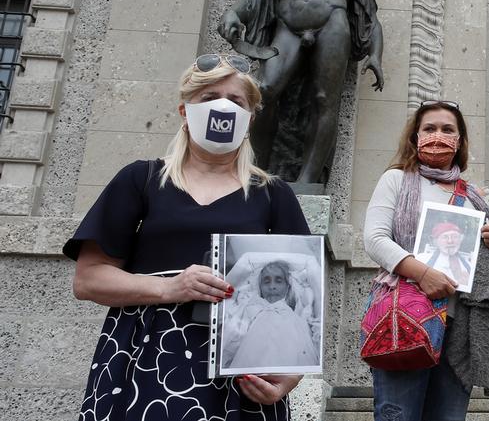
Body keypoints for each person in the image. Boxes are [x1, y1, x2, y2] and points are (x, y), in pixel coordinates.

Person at [65, 53, 312, 420]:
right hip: (145, 354)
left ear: (250, 118)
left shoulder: (274, 194)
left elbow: (303, 298)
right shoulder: (141, 180)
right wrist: (169, 288)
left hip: (241, 366)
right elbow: (88, 279)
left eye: (236, 100)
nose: (223, 107)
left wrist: (287, 377)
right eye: (209, 98)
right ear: (185, 110)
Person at [363, 100, 489, 420]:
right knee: (397, 415)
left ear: (460, 140)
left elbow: (487, 258)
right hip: (406, 320)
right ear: (415, 137)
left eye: (448, 129)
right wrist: (423, 274)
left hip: (461, 328)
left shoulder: (475, 196)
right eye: (430, 129)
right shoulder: (395, 180)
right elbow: (375, 239)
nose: (438, 135)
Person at [218, 0, 384, 184]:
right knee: (265, 91)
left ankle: (307, 180)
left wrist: (376, 54)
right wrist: (233, 13)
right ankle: (257, 169)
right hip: (287, 27)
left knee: (324, 100)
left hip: (332, 25)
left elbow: (369, 17)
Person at [224, 261, 319, 369]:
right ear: (260, 286)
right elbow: (234, 338)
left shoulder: (297, 319)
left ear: (287, 286)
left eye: (278, 281)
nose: (272, 287)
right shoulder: (250, 309)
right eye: (266, 281)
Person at [416, 221, 472, 287]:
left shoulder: (469, 265)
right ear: (436, 241)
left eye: (455, 236)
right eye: (445, 237)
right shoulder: (422, 259)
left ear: (460, 239)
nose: (450, 241)